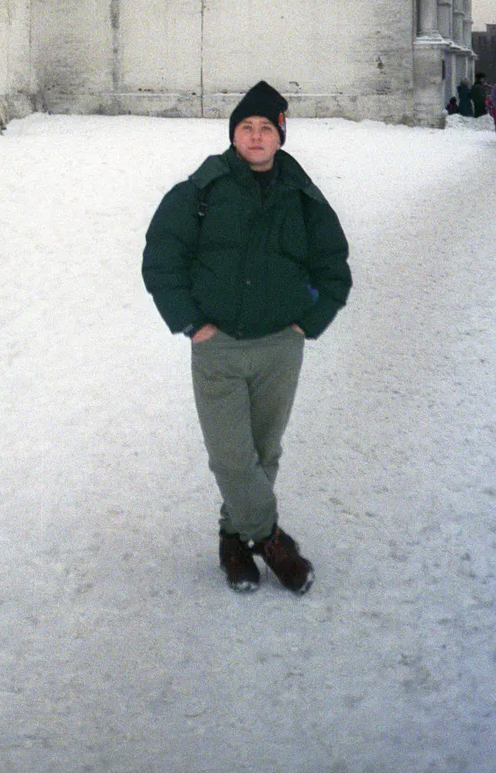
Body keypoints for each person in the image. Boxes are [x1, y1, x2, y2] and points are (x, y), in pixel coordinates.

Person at [142, 81, 352, 596]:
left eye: (265, 128)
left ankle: (233, 541)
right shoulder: (199, 191)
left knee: (264, 451)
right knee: (231, 457)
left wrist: (308, 321)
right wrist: (192, 323)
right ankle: (272, 541)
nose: (256, 137)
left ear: (280, 135)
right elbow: (161, 259)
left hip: (280, 346)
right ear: (233, 135)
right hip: (218, 347)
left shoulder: (302, 196)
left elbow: (334, 267)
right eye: (245, 128)